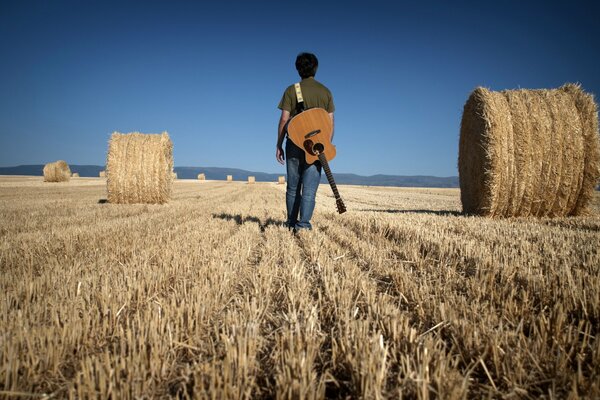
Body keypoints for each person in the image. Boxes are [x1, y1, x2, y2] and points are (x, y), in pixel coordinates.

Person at [276, 52, 335, 231]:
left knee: (293, 187)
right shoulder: (325, 92)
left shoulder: (291, 90)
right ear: (315, 69)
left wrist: (278, 144)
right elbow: (330, 123)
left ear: (297, 69)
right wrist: (323, 145)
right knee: (309, 189)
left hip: (294, 143)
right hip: (316, 147)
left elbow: (284, 120)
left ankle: (291, 224)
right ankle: (303, 225)